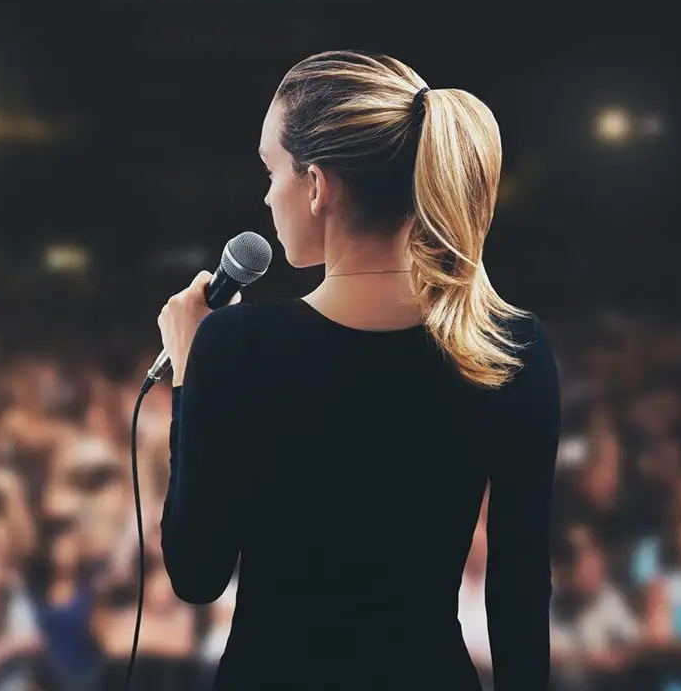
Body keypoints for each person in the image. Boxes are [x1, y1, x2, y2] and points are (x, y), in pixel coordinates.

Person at [155, 51, 561, 689]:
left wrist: (188, 370)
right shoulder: (512, 346)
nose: (266, 194)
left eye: (272, 170)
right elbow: (519, 588)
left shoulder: (236, 344)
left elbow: (196, 574)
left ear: (317, 186)